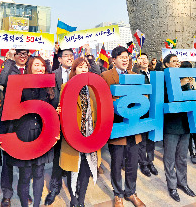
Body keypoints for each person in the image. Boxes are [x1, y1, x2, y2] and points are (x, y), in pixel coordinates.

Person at [0, 56, 57, 207]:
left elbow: (54, 109)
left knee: (39, 174)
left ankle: (36, 204)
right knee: (25, 175)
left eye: (42, 66)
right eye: (36, 65)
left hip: (44, 135)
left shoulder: (49, 87)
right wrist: (1, 134)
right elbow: (7, 112)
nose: (40, 68)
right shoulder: (19, 84)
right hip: (24, 135)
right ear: (29, 67)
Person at [101, 46, 146, 207]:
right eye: (121, 57)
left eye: (127, 56)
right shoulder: (106, 76)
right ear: (113, 60)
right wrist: (119, 102)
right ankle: (118, 193)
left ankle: (131, 192)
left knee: (133, 162)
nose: (125, 59)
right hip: (117, 127)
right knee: (116, 161)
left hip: (133, 127)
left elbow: (144, 97)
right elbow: (103, 100)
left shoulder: (135, 76)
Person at [58, 57, 101, 207]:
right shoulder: (66, 87)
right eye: (80, 67)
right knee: (73, 168)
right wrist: (59, 111)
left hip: (91, 137)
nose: (84, 69)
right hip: (73, 137)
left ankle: (81, 199)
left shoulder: (93, 88)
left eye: (86, 67)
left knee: (86, 169)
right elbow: (62, 108)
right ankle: (73, 199)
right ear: (74, 70)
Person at [0, 49, 32, 207]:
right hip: (9, 121)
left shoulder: (32, 68)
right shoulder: (9, 68)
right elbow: (2, 81)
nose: (22, 56)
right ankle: (7, 194)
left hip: (28, 121)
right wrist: (9, 61)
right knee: (8, 162)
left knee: (27, 160)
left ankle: (24, 191)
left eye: (25, 53)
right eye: (19, 53)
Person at [162, 55, 196, 202]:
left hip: (185, 123)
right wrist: (180, 84)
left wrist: (193, 87)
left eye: (178, 62)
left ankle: (183, 183)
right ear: (166, 64)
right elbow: (163, 99)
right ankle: (172, 186)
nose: (178, 64)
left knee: (182, 157)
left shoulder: (187, 78)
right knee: (169, 158)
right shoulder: (163, 79)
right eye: (174, 62)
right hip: (171, 124)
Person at [44, 48, 74, 206]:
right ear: (60, 59)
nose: (70, 58)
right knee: (57, 155)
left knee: (72, 154)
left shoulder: (79, 74)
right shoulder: (52, 75)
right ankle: (54, 188)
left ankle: (72, 187)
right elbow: (46, 96)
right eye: (66, 56)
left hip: (74, 122)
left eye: (72, 55)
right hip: (57, 120)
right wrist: (52, 109)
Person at [136, 53, 158, 176]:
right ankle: (143, 163)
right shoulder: (136, 74)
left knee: (151, 138)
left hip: (154, 110)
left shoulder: (154, 74)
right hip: (142, 110)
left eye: (145, 58)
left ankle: (150, 161)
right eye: (141, 58)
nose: (144, 60)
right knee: (142, 139)